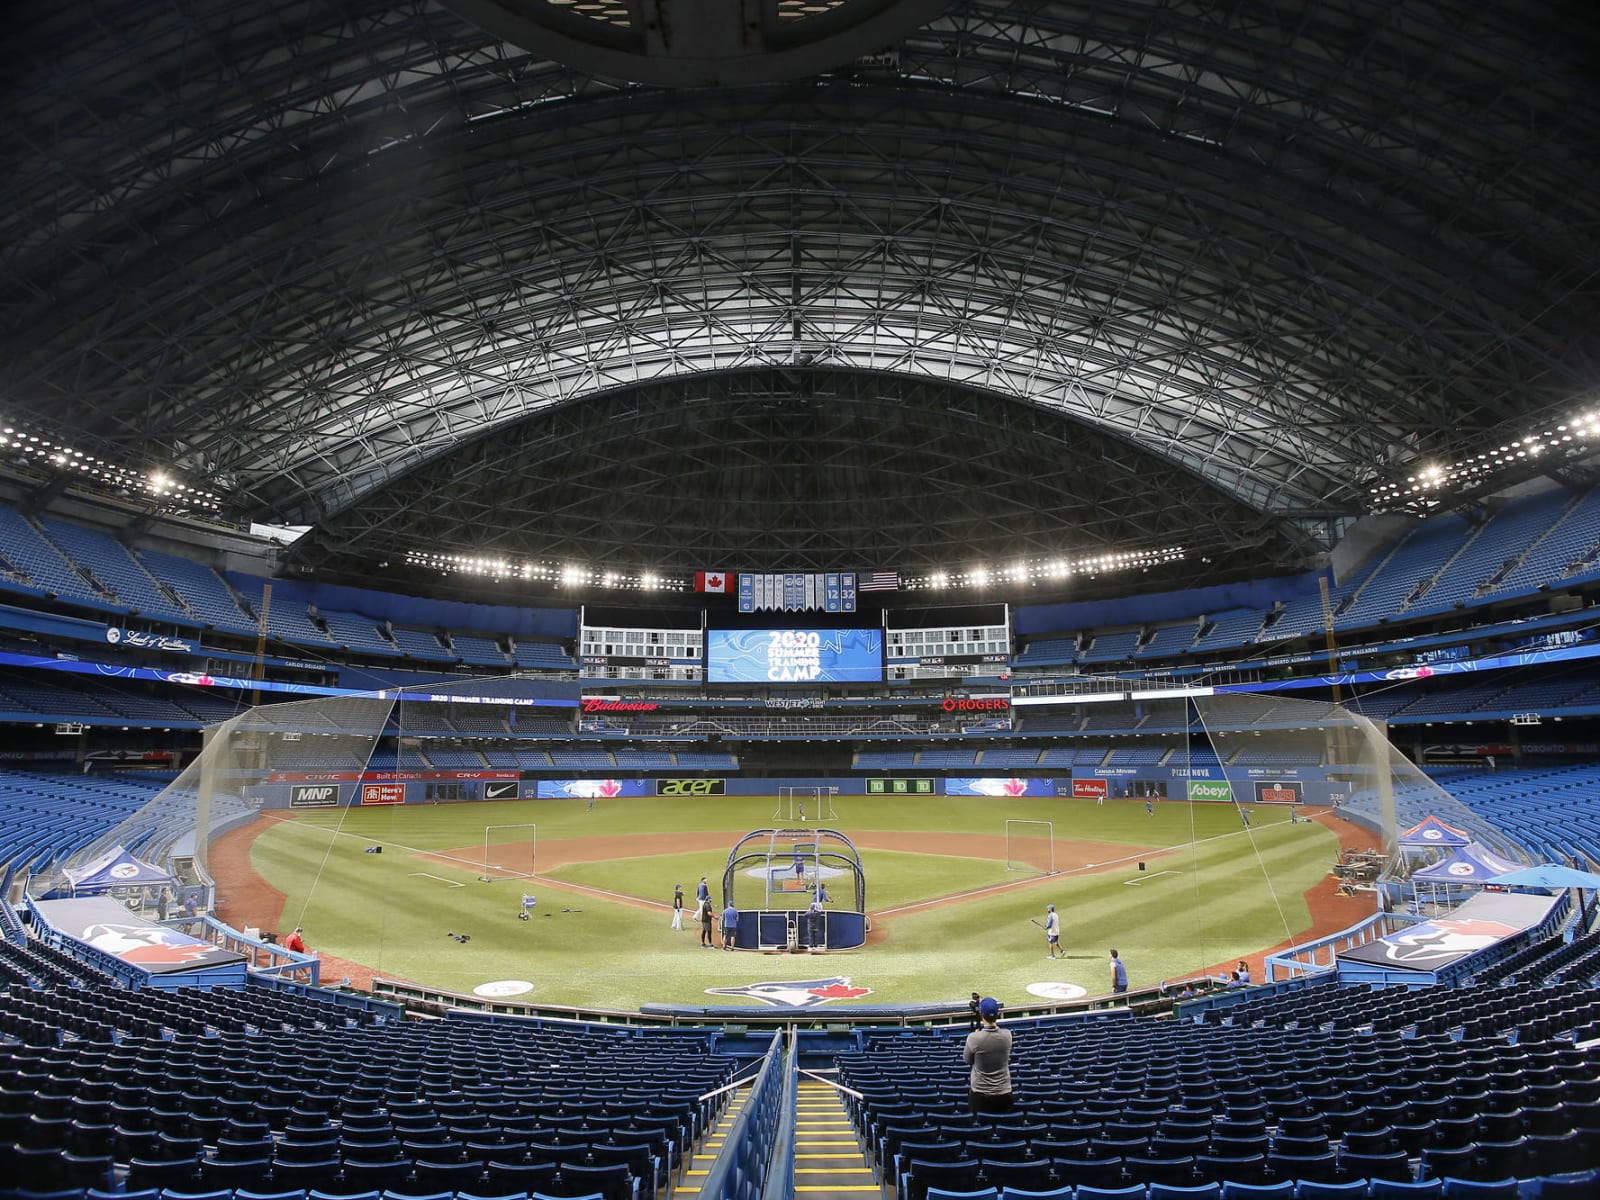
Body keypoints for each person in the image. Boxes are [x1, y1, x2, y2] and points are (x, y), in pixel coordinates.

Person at [963, 996, 1013, 1114]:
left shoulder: (974, 1038)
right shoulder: (1008, 1036)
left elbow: (967, 1060)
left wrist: (976, 1036)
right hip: (1004, 1093)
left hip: (980, 1094)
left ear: (981, 1014)